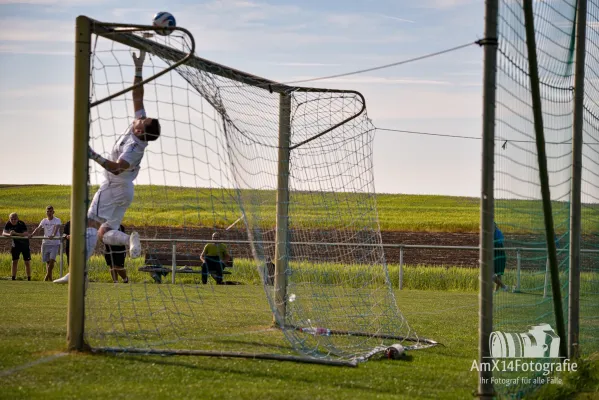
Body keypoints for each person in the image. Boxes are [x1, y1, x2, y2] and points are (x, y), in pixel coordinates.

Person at [54, 49, 161, 284]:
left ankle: (78, 273)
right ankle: (128, 239)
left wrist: (92, 155)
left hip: (115, 185)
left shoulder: (135, 147)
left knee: (90, 222)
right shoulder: (139, 126)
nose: (140, 117)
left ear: (141, 130)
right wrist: (139, 68)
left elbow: (116, 168)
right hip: (124, 191)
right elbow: (137, 96)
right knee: (104, 233)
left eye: (142, 120)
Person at [29, 205, 61, 281]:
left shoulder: (57, 220)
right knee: (48, 261)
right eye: (47, 211)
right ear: (46, 212)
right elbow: (38, 228)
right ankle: (50, 277)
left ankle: (46, 277)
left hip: (54, 243)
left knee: (52, 259)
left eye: (50, 211)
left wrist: (53, 235)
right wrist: (32, 234)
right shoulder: (44, 220)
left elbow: (56, 228)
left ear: (53, 212)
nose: (49, 213)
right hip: (45, 243)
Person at [2, 212, 32, 281]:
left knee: (27, 262)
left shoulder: (21, 223)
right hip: (15, 245)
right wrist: (9, 235)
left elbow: (25, 233)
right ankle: (13, 278)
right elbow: (3, 233)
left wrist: (15, 234)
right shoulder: (8, 223)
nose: (13, 220)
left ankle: (29, 278)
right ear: (9, 219)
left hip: (25, 245)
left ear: (17, 219)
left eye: (15, 219)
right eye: (11, 219)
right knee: (14, 261)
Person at [493, 222, 508, 292]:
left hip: (499, 254)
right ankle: (504, 286)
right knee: (490, 274)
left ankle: (496, 290)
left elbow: (500, 241)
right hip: (492, 254)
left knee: (498, 273)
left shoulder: (498, 233)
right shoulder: (488, 233)